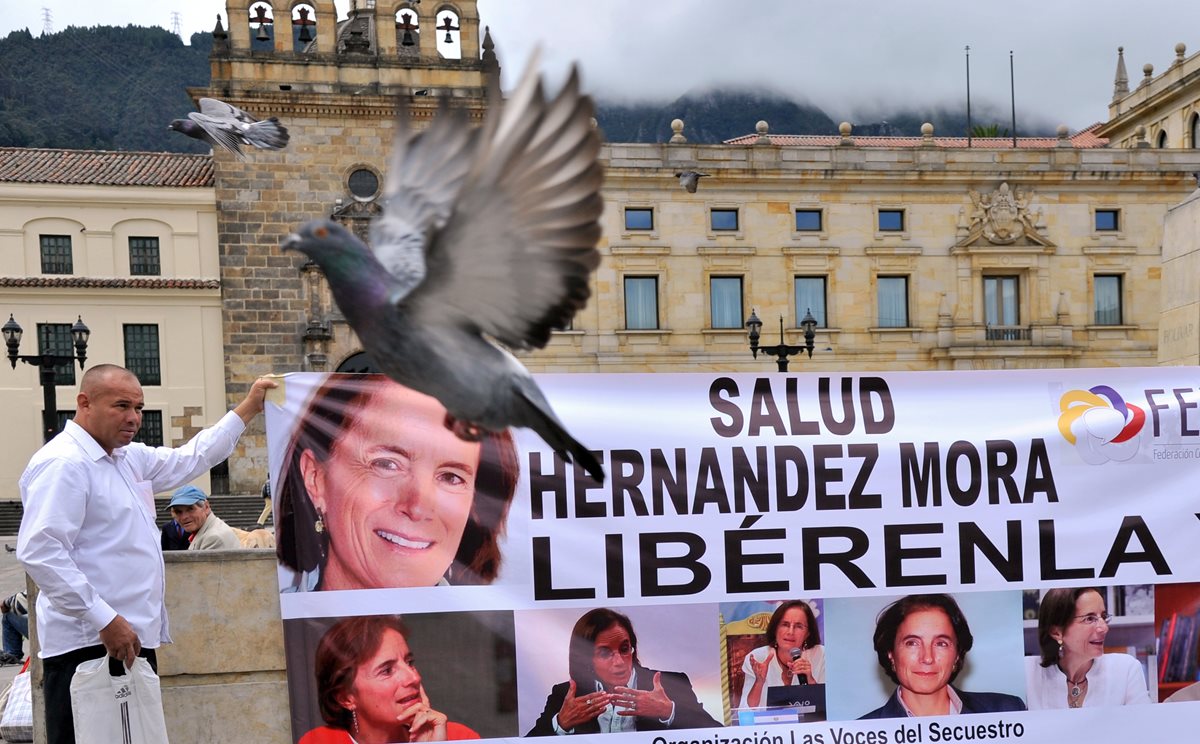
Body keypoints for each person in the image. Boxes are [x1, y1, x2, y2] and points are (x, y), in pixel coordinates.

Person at [16, 364, 275, 744]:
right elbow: (41, 551)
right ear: (84, 403)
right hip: (90, 645)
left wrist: (249, 408)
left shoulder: (127, 458)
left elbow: (193, 457)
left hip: (129, 639)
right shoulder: (65, 464)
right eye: (122, 406)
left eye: (138, 407)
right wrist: (104, 618)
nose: (134, 418)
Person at [275, 374, 519, 591]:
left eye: (451, 477)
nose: (417, 507)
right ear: (315, 478)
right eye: (387, 464)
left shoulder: (500, 637)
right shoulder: (265, 631)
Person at [527, 607, 721, 735]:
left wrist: (668, 711)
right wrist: (561, 724)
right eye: (605, 653)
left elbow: (719, 736)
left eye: (624, 649)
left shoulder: (670, 685)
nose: (619, 662)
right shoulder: (565, 695)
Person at [301, 615, 479, 743]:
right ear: (346, 698)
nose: (414, 677)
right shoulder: (319, 741)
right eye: (386, 670)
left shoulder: (458, 737)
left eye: (409, 662)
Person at [860, 593, 1026, 719]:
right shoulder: (861, 733)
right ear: (891, 653)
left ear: (957, 655)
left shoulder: (1007, 711)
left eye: (941, 643)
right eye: (912, 643)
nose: (927, 658)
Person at [1024, 587, 1151, 709]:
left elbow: (1144, 726)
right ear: (1057, 632)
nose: (1104, 628)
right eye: (1090, 619)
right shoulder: (1027, 672)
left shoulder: (1125, 670)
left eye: (1104, 616)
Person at [739, 600, 826, 709]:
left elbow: (828, 709)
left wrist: (810, 681)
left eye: (798, 626)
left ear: (807, 634)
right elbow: (745, 711)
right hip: (768, 725)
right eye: (785, 624)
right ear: (775, 629)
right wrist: (759, 682)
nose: (790, 632)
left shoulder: (821, 655)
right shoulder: (757, 658)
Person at [168, 484, 241, 550]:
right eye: (178, 512)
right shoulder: (208, 529)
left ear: (206, 507)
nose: (184, 517)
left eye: (190, 509)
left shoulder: (214, 538)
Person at [0, 589, 28, 665]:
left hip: (47, 631)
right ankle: (10, 656)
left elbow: (20, 601)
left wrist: (5, 603)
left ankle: (11, 654)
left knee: (8, 614)